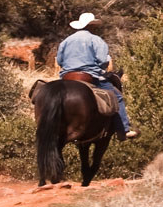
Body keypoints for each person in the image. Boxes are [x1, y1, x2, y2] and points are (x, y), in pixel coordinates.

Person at [56, 12, 138, 140]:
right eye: (94, 26)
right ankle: (124, 130)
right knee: (117, 97)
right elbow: (102, 61)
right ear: (91, 26)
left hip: (67, 77)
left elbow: (60, 61)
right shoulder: (96, 40)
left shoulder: (66, 41)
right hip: (90, 76)